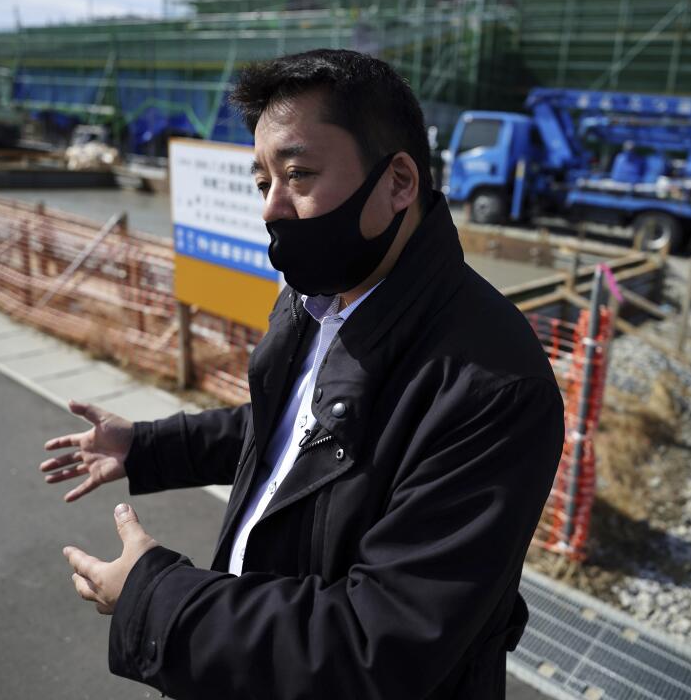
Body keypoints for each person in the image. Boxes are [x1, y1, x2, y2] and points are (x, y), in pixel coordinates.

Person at [40, 49, 565, 699]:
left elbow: (379, 645)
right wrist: (145, 449)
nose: (271, 208)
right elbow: (292, 436)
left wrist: (156, 599)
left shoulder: (495, 387)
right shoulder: (316, 298)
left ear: (399, 182)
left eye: (299, 174)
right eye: (263, 183)